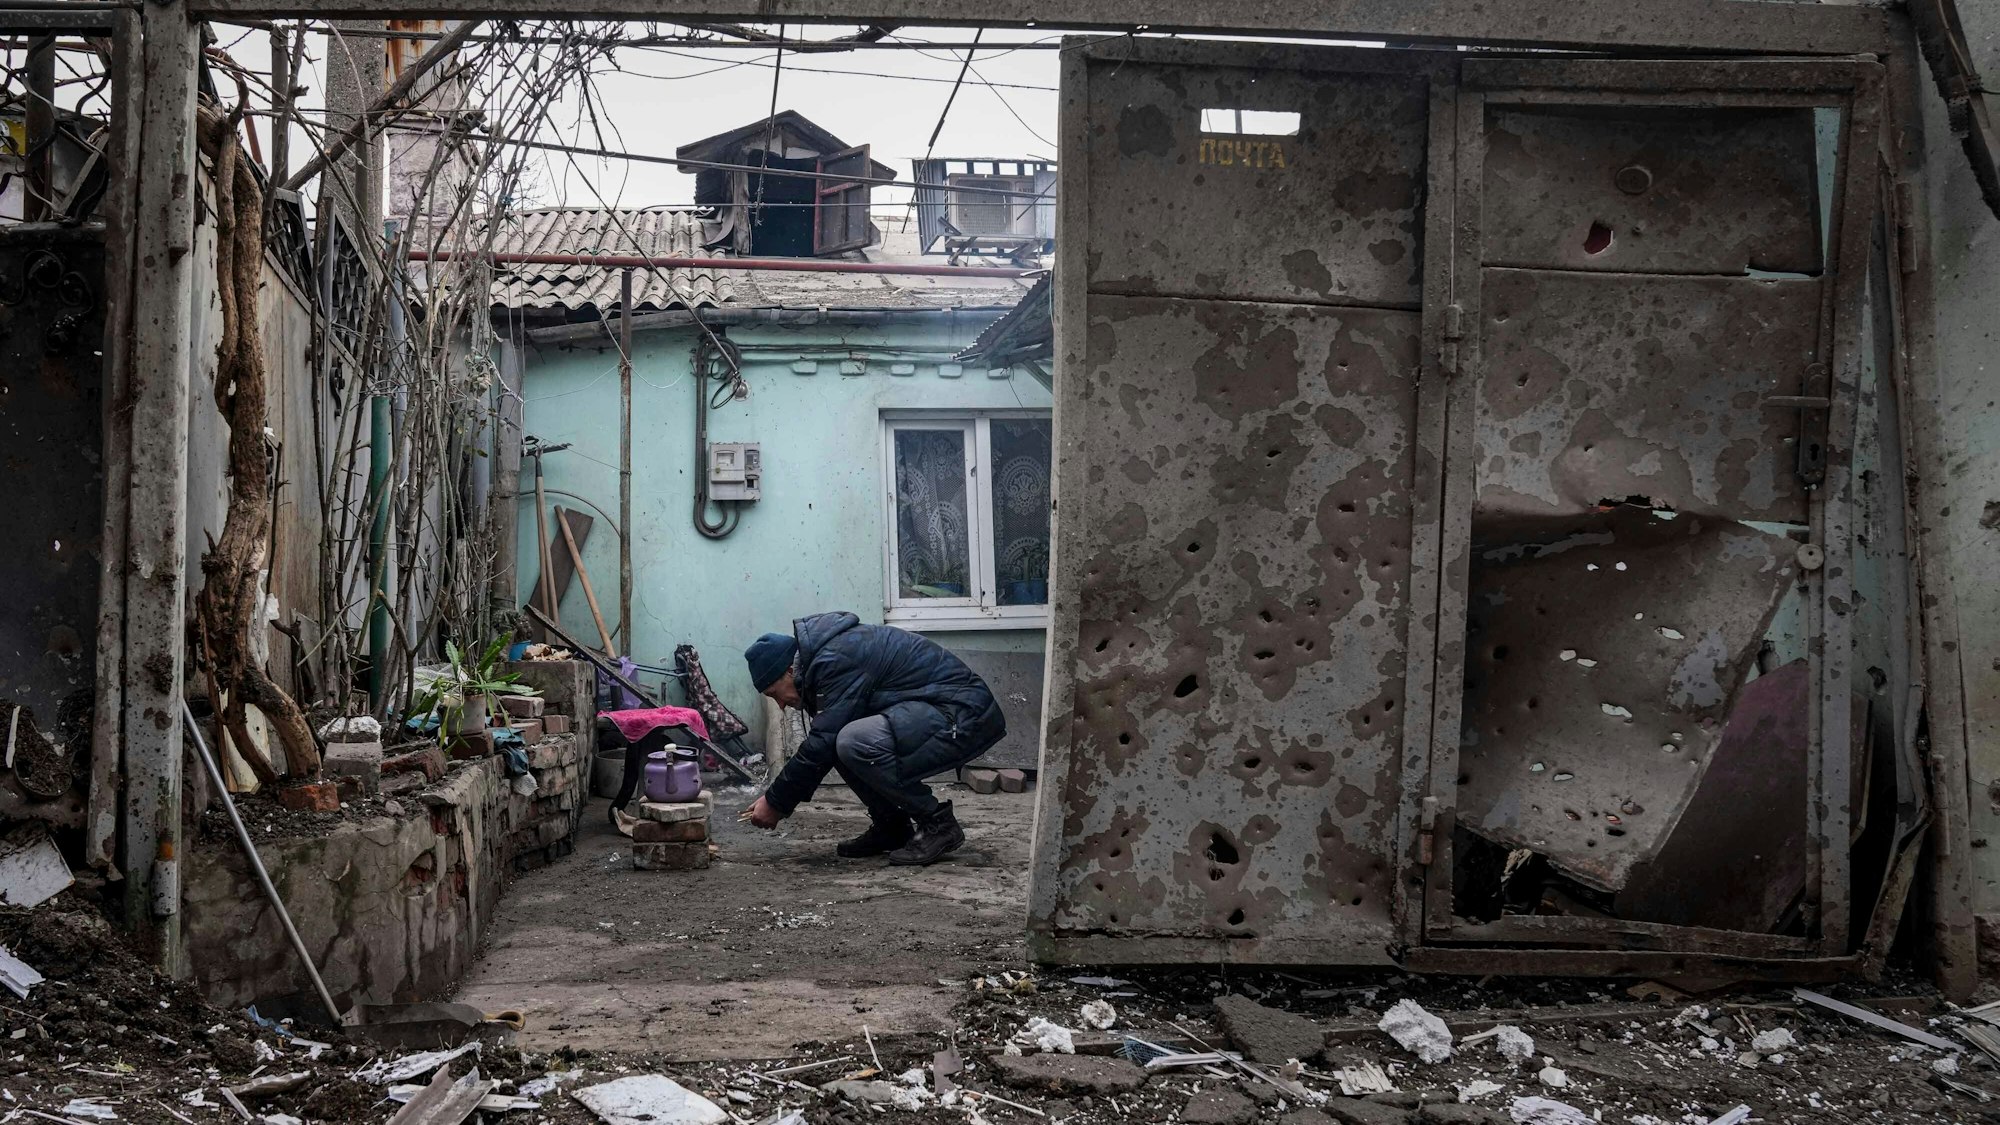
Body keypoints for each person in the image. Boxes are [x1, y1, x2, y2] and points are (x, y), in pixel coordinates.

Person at [738, 611, 1005, 866]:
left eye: (775, 693)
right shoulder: (828, 657)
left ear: (789, 671)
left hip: (962, 714)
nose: (781, 705)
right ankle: (891, 827)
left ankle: (938, 823)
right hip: (941, 711)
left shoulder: (836, 659)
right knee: (843, 739)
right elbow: (826, 743)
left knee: (851, 741)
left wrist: (776, 802)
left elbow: (822, 743)